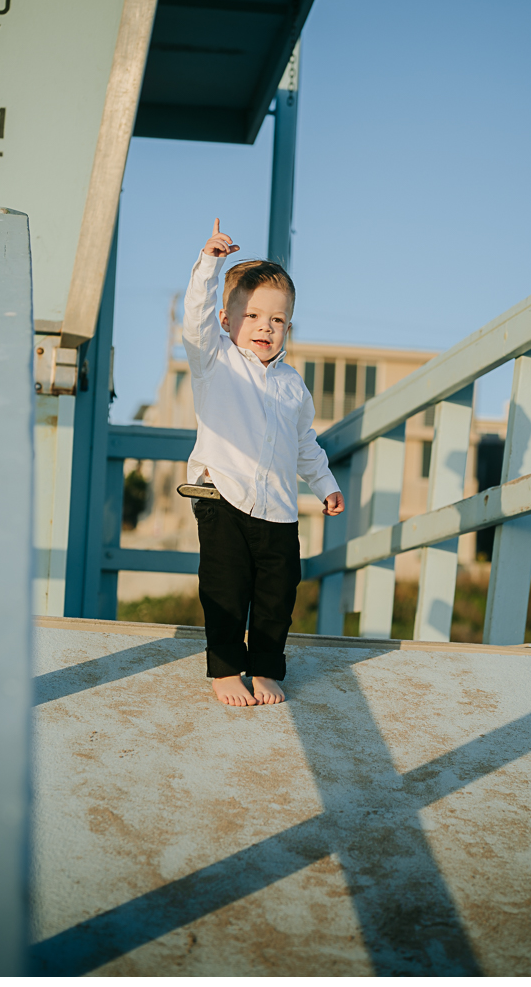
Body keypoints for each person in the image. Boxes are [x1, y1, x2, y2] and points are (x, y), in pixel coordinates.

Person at [182, 219, 344, 707]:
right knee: (226, 589)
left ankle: (267, 668)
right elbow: (194, 318)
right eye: (252, 317)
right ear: (227, 321)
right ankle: (226, 669)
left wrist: (325, 483)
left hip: (278, 507)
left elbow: (304, 445)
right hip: (222, 495)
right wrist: (210, 263)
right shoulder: (215, 361)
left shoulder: (293, 385)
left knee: (277, 595)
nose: (265, 328)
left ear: (288, 327)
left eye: (276, 320)